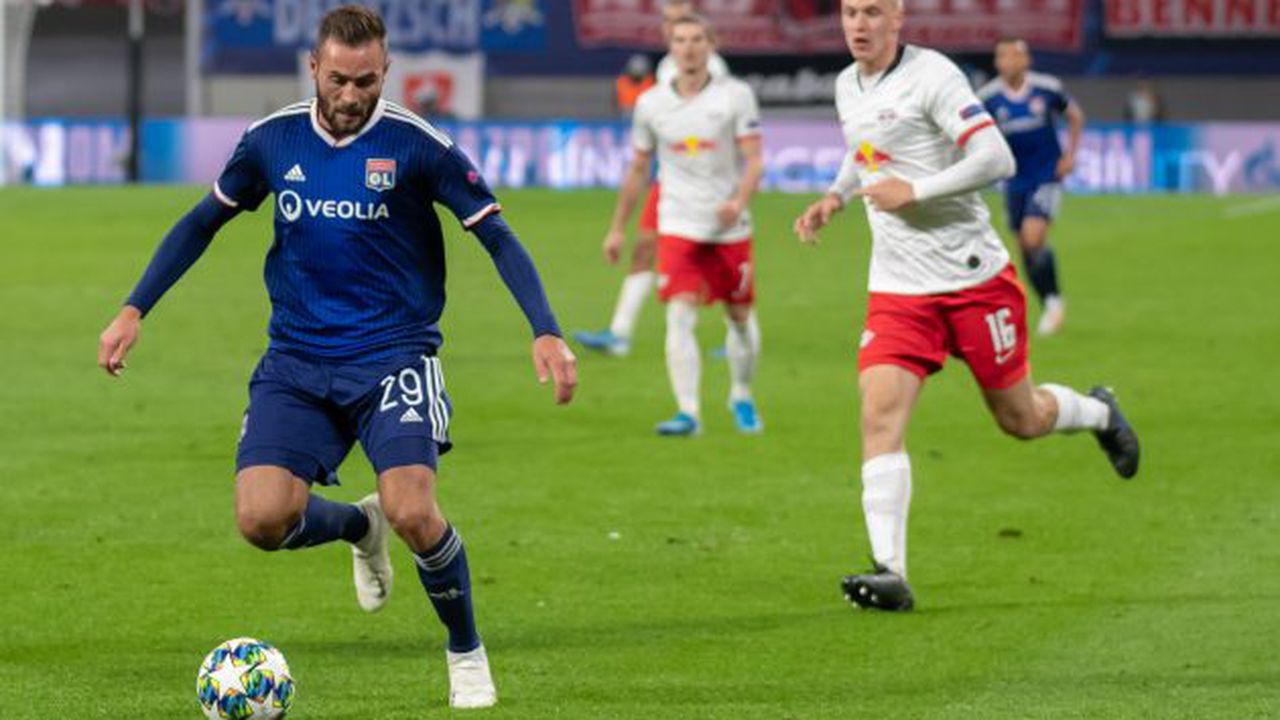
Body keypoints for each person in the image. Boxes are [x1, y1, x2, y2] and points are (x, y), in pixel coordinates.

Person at [96, 5, 577, 708]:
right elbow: (203, 222)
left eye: (368, 82)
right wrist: (135, 307)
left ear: (386, 73)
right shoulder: (272, 140)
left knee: (413, 507)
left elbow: (497, 235)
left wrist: (545, 327)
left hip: (394, 355)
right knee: (261, 520)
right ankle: (358, 526)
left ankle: (465, 649)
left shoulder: (419, 147)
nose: (351, 97)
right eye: (340, 80)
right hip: (296, 358)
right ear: (313, 68)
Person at [793, 0, 1139, 611]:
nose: (859, 24)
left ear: (898, 17)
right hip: (899, 290)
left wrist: (917, 189)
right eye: (850, 12)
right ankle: (890, 572)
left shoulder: (935, 76)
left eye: (873, 12)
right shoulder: (848, 83)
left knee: (1021, 418)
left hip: (972, 280)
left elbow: (997, 158)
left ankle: (1099, 414)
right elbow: (866, 147)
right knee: (878, 416)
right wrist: (835, 197)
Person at [605, 13, 764, 436]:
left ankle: (741, 394)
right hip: (677, 223)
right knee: (679, 316)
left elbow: (754, 159)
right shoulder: (651, 103)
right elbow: (638, 169)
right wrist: (618, 227)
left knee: (740, 320)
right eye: (680, 40)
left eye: (697, 39)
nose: (689, 47)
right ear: (670, 46)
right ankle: (688, 412)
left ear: (712, 44)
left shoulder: (735, 95)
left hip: (728, 228)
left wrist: (738, 200)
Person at [574, 0, 731, 357]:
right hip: (671, 177)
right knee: (644, 249)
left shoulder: (715, 69)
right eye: (666, 21)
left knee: (714, 255)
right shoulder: (663, 68)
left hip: (707, 180)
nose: (669, 27)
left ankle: (735, 334)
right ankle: (620, 334)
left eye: (677, 18)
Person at [978, 38, 1085, 336]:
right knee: (1025, 248)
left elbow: (1075, 115)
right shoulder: (987, 98)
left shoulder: (1046, 88)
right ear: (997, 62)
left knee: (1033, 236)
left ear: (1026, 60)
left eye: (1016, 55)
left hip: (1046, 175)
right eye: (1004, 56)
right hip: (1013, 179)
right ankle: (1049, 303)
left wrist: (1069, 156)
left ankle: (1054, 301)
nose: (1010, 61)